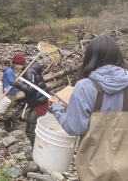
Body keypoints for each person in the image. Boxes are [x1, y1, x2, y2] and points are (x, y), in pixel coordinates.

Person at [53, 35, 128, 180]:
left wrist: (57, 109)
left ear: (91, 57)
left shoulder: (84, 86)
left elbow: (74, 128)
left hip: (94, 167)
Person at [10, 52, 49, 161]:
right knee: (33, 130)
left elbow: (32, 90)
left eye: (15, 65)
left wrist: (18, 85)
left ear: (19, 63)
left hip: (38, 104)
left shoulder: (29, 72)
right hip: (39, 103)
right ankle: (39, 152)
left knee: (32, 131)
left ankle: (37, 155)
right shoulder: (30, 69)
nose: (15, 67)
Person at [0, 59, 18, 131]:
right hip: (7, 93)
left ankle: (16, 121)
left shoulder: (8, 72)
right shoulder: (6, 71)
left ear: (3, 65)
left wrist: (7, 88)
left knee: (6, 111)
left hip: (10, 93)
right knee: (4, 110)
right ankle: (7, 128)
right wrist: (2, 77)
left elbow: (13, 82)